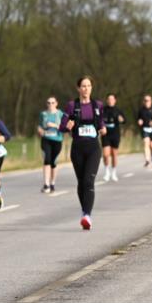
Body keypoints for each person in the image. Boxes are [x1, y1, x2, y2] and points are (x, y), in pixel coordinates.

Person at [59, 76, 107, 230]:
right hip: (78, 148)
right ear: (78, 88)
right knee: (81, 182)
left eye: (89, 86)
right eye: (83, 86)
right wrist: (68, 126)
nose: (86, 89)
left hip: (93, 147)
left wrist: (103, 128)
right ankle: (84, 211)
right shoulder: (72, 105)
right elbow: (61, 127)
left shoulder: (98, 105)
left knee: (88, 181)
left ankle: (87, 215)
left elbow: (101, 124)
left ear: (91, 88)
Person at [38, 96, 63, 193]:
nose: (50, 105)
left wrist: (54, 125)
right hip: (46, 140)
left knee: (54, 162)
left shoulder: (60, 114)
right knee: (47, 159)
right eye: (48, 103)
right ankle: (46, 184)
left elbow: (64, 128)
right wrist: (40, 131)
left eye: (53, 103)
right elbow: (39, 126)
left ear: (56, 103)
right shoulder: (43, 114)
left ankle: (52, 183)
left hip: (57, 140)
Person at [100, 93, 126, 182]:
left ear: (115, 100)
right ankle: (107, 172)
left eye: (112, 99)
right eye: (109, 99)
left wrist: (121, 119)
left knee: (114, 154)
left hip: (115, 135)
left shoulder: (118, 110)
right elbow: (98, 120)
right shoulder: (103, 110)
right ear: (107, 100)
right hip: (105, 134)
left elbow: (124, 120)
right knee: (105, 154)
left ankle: (114, 172)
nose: (110, 101)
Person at [136, 94, 152, 168]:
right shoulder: (141, 110)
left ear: (151, 101)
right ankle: (147, 160)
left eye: (148, 100)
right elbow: (138, 118)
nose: (146, 102)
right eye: (145, 100)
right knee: (146, 143)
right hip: (145, 128)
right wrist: (139, 121)